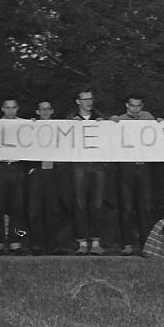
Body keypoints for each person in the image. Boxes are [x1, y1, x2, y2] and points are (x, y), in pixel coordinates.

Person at [112, 94, 155, 255]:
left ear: (141, 106)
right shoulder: (119, 120)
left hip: (143, 168)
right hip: (126, 168)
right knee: (126, 207)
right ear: (127, 106)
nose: (135, 109)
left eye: (138, 105)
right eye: (132, 105)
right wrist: (109, 122)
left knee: (145, 207)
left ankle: (146, 244)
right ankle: (127, 244)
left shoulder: (148, 118)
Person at [67, 89, 107, 255]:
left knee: (97, 204)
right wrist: (70, 125)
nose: (89, 102)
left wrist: (107, 124)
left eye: (91, 98)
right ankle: (82, 242)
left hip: (97, 165)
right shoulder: (69, 119)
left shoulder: (100, 118)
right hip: (79, 165)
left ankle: (96, 242)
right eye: (85, 99)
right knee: (79, 204)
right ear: (78, 101)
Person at [26, 100, 67, 256]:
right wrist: (30, 169)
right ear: (37, 112)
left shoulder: (60, 128)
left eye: (47, 109)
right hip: (36, 173)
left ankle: (53, 246)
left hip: (53, 173)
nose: (44, 112)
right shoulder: (30, 128)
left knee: (53, 211)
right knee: (34, 211)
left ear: (52, 111)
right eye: (41, 109)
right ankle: (36, 246)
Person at [0, 98, 28, 255]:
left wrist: (34, 124)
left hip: (17, 168)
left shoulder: (24, 124)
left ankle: (15, 242)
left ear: (17, 109)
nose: (11, 111)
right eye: (7, 108)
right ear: (2, 109)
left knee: (17, 208)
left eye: (13, 108)